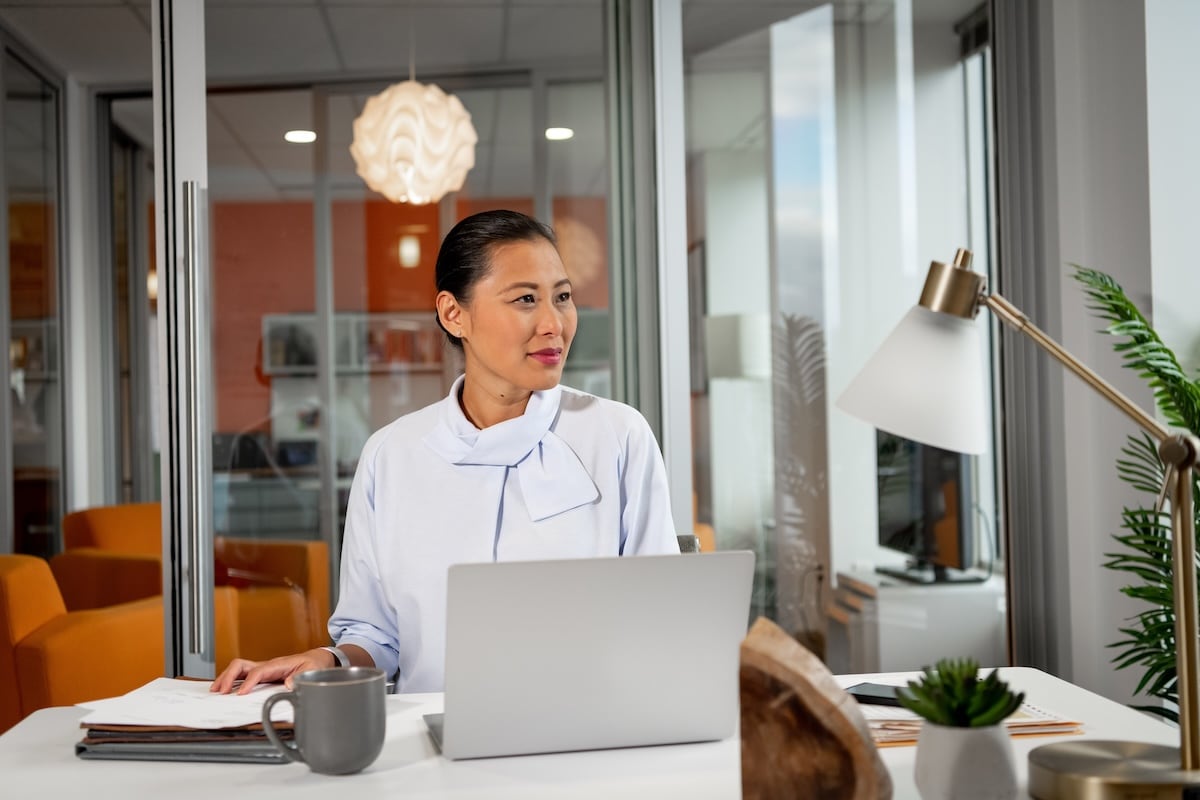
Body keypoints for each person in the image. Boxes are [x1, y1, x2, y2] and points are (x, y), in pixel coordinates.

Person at [212, 209, 679, 696]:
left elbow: (661, 618)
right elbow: (374, 636)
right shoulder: (391, 456)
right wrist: (323, 660)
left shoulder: (618, 436)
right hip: (430, 744)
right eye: (525, 299)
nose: (553, 324)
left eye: (562, 297)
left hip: (586, 739)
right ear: (454, 314)